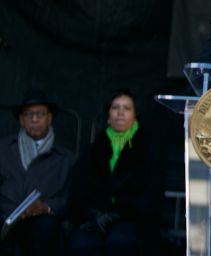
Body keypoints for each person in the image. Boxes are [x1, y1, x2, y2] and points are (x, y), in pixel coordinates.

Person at [66, 90, 164, 256]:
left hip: (132, 220)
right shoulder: (92, 149)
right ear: (108, 114)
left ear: (135, 114)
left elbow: (151, 195)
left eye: (126, 108)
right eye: (115, 107)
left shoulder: (148, 149)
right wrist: (93, 215)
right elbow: (78, 190)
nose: (120, 113)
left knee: (121, 242)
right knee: (82, 245)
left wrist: (117, 214)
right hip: (94, 218)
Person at [0, 88, 74, 256]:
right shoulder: (3, 149)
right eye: (28, 114)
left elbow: (69, 199)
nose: (34, 119)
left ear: (49, 118)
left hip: (42, 225)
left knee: (46, 227)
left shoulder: (65, 158)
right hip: (6, 220)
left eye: (40, 114)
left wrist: (46, 207)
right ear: (21, 120)